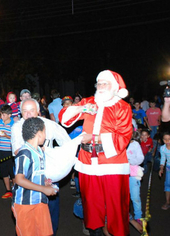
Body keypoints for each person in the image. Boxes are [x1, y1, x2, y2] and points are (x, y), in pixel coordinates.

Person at [59, 70, 133, 236]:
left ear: (113, 87)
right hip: (87, 163)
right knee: (91, 206)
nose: (100, 86)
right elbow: (64, 119)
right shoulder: (90, 102)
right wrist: (82, 108)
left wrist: (93, 138)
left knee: (116, 207)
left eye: (104, 83)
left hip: (112, 164)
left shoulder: (123, 107)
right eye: (98, 83)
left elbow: (123, 138)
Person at [11, 99, 71, 235]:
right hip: (29, 175)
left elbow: (66, 143)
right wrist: (38, 149)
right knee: (29, 225)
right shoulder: (17, 128)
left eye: (31, 110)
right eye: (24, 111)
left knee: (49, 215)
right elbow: (17, 151)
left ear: (38, 111)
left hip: (48, 173)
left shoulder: (49, 125)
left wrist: (54, 156)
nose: (28, 114)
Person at [12, 117, 58, 236]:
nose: (46, 135)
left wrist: (44, 183)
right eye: (45, 132)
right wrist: (43, 189)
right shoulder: (24, 153)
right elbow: (19, 179)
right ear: (39, 133)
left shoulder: (40, 151)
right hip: (25, 204)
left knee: (45, 233)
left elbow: (34, 174)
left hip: (40, 201)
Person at [0, 105, 15, 199]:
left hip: (10, 150)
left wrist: (6, 135)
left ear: (9, 115)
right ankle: (8, 190)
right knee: (3, 171)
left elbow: (15, 138)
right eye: (1, 114)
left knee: (12, 171)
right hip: (1, 149)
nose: (1, 117)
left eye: (3, 115)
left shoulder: (13, 124)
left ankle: (16, 190)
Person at [126, 130, 144, 225]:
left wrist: (130, 161)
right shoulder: (119, 143)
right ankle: (124, 215)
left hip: (133, 175)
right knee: (123, 197)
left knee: (135, 196)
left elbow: (140, 158)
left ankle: (138, 216)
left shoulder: (135, 144)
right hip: (121, 174)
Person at [159, 131, 170, 210]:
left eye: (169, 139)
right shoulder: (162, 148)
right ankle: (167, 202)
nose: (167, 141)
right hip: (168, 167)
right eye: (165, 139)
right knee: (167, 184)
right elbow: (163, 158)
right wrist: (161, 168)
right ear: (162, 140)